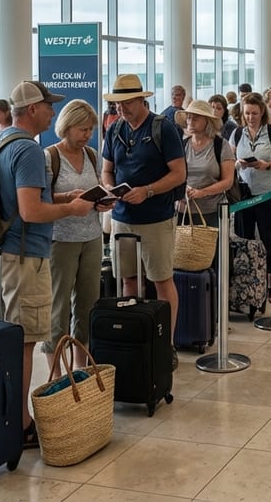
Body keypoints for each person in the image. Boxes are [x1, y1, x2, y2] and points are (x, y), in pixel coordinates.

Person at [0, 80, 94, 449]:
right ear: (32, 109)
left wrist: (63, 195)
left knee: (9, 338)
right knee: (25, 341)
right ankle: (20, 424)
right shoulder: (31, 152)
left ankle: (5, 413)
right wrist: (72, 208)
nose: (53, 112)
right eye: (48, 105)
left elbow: (20, 198)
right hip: (26, 257)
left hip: (0, 254)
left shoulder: (0, 141)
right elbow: (30, 210)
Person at [101, 74, 187, 369]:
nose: (121, 108)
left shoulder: (164, 128)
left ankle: (167, 343)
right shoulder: (114, 131)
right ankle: (133, 335)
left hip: (156, 217)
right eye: (117, 104)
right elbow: (107, 170)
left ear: (141, 100)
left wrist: (148, 191)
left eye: (126, 103)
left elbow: (179, 173)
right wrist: (111, 189)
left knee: (161, 279)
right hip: (122, 217)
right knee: (128, 279)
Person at [42, 99, 111, 374]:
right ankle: (56, 373)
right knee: (58, 307)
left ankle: (80, 368)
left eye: (91, 130)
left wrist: (105, 199)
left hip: (92, 237)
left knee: (87, 303)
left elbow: (98, 187)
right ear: (67, 126)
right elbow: (39, 196)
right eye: (83, 129)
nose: (87, 135)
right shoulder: (50, 157)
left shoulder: (92, 155)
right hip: (61, 239)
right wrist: (67, 198)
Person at [232, 93, 271, 266]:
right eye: (247, 113)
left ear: (262, 112)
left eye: (254, 113)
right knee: (244, 240)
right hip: (245, 195)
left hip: (269, 194)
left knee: (270, 239)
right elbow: (229, 161)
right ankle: (249, 281)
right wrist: (239, 164)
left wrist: (267, 165)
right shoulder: (237, 133)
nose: (250, 117)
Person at [178, 99, 235, 228]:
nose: (190, 122)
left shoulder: (220, 145)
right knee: (183, 248)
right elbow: (175, 173)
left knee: (211, 248)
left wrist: (202, 192)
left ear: (207, 121)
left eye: (195, 118)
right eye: (189, 118)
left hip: (211, 211)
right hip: (183, 210)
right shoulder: (183, 144)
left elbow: (228, 181)